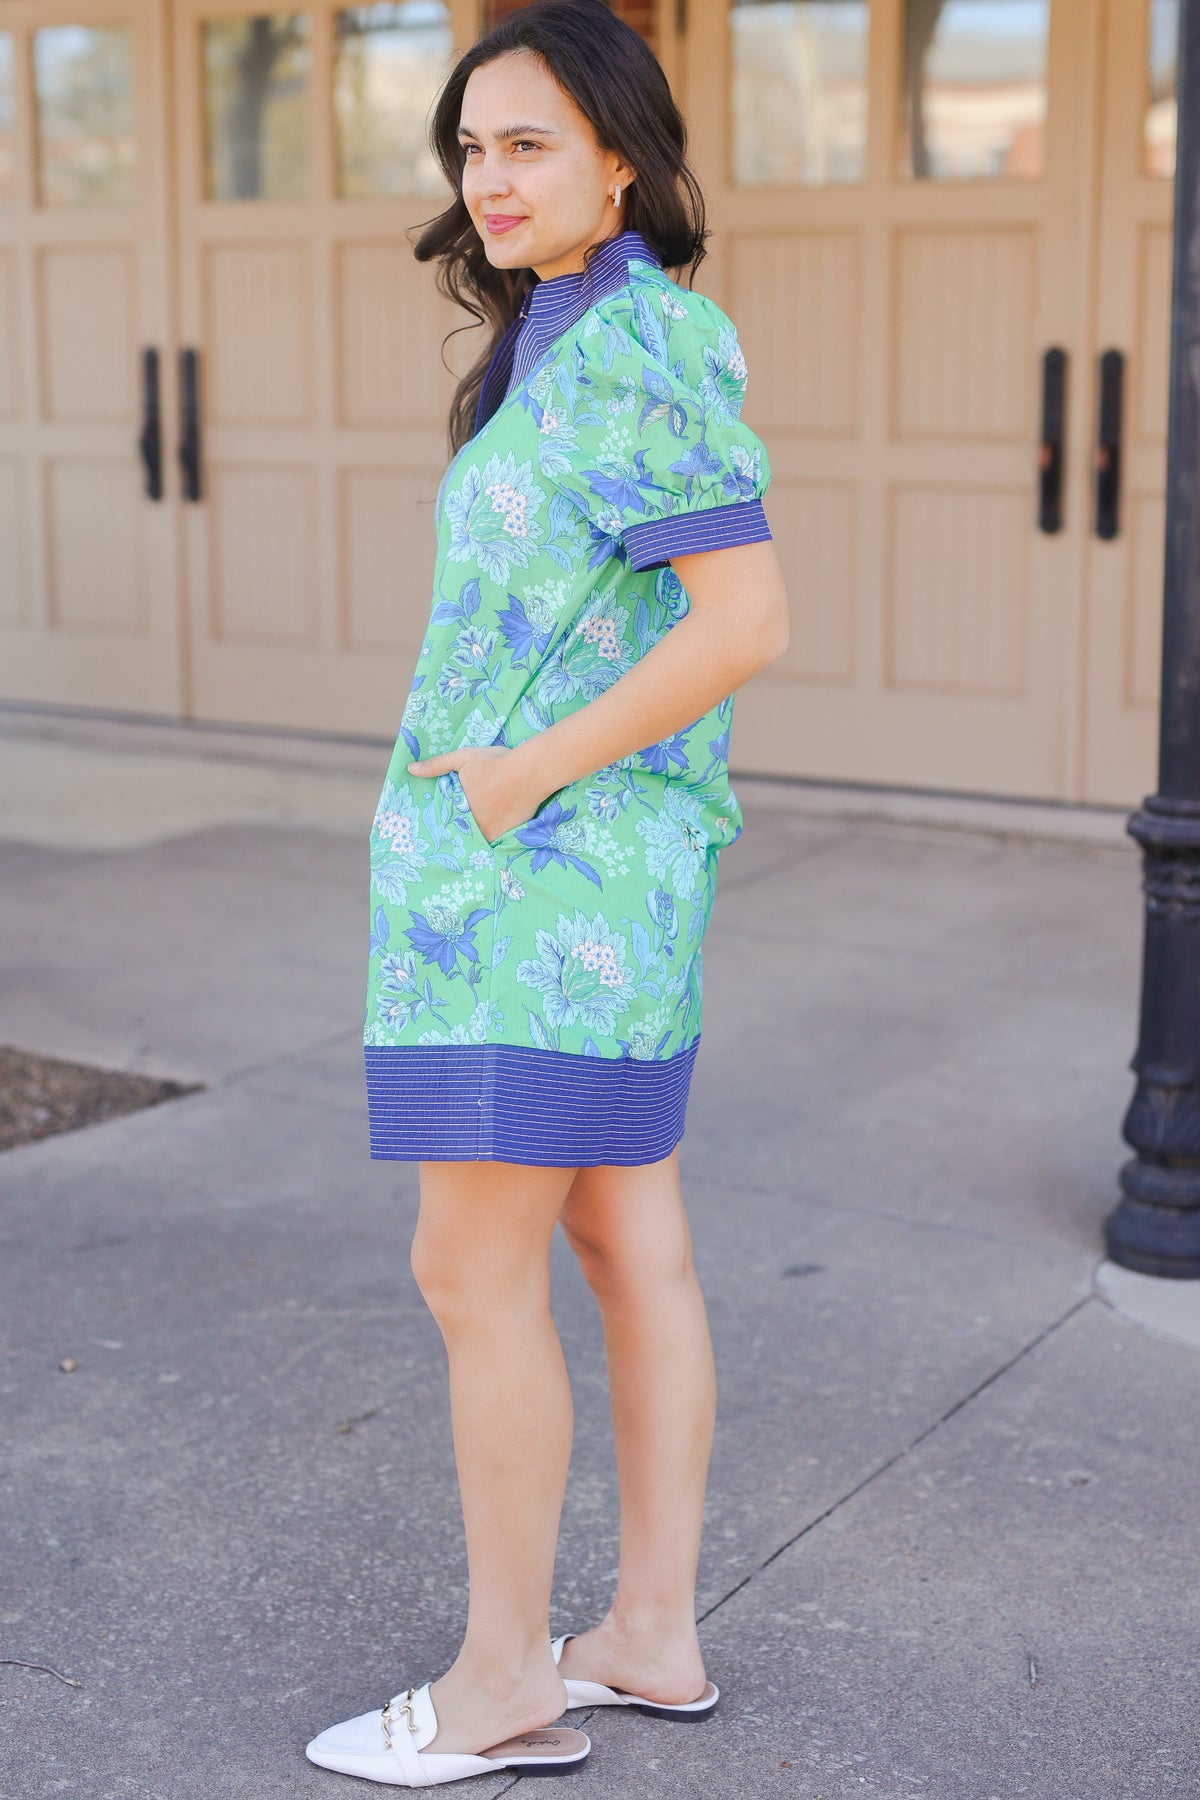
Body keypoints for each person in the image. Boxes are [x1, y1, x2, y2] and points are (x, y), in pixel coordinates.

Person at [306, 0, 790, 1785]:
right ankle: (647, 1637)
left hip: (551, 878)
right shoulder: (565, 336)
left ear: (619, 157)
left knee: (470, 1266)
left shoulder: (642, 342)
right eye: (471, 145)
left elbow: (748, 625)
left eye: (526, 144)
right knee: (618, 1237)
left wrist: (520, 772)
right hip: (562, 875)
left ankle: (505, 1677)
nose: (486, 176)